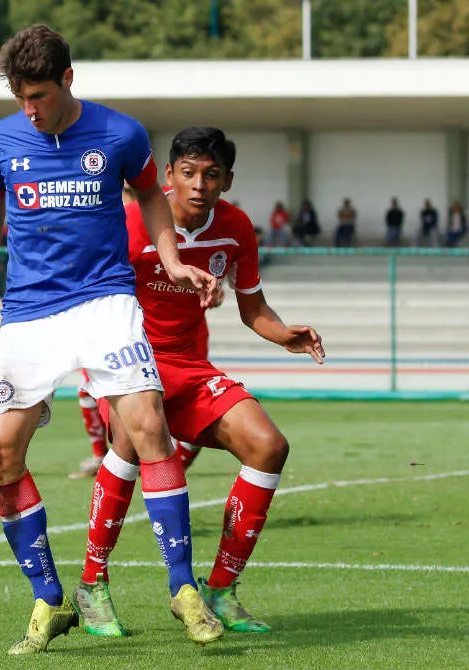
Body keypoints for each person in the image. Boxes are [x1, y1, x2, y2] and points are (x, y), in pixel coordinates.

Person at [0, 25, 221, 655]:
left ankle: (183, 589)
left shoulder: (120, 134)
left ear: (68, 80)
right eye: (20, 98)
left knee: (149, 428)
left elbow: (152, 195)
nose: (30, 110)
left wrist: (173, 262)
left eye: (39, 95)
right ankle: (50, 598)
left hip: (105, 302)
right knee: (1, 453)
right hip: (28, 312)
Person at [71, 126, 324, 640]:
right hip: (126, 357)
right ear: (168, 175)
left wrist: (284, 335)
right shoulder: (127, 220)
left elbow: (254, 308)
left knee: (268, 446)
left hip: (188, 363)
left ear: (227, 179)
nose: (199, 184)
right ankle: (92, 583)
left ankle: (220, 590)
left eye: (211, 175)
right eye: (188, 173)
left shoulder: (236, 228)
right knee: (132, 438)